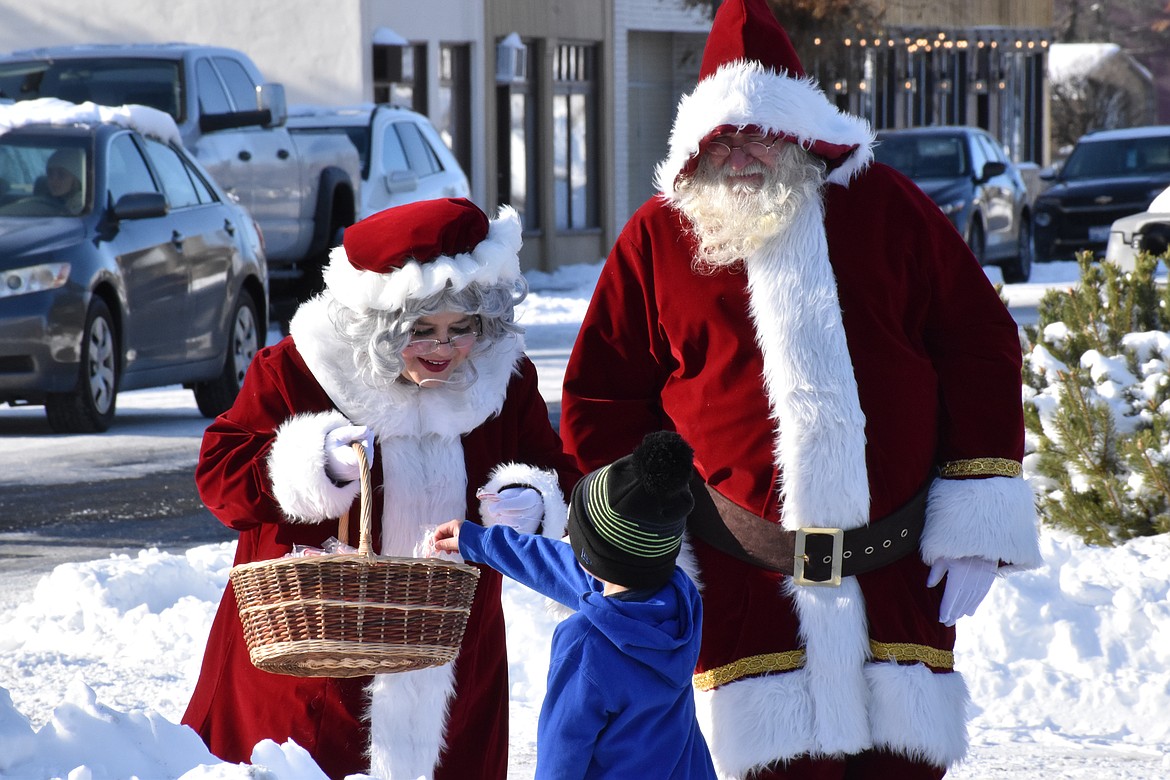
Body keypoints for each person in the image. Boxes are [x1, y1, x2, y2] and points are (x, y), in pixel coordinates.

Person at [559, 1, 1043, 778]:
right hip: (739, 583)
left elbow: (980, 343)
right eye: (724, 135)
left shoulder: (889, 209)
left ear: (803, 131)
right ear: (696, 141)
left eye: (761, 130)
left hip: (897, 577)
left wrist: (979, 516)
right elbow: (603, 396)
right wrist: (638, 541)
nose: (743, 151)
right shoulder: (658, 237)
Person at [182, 197, 582, 780]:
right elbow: (220, 481)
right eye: (421, 331)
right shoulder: (296, 370)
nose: (443, 350)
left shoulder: (503, 377)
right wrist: (314, 463)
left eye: (460, 329)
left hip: (454, 660)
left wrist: (534, 500)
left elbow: (555, 469)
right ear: (378, 325)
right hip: (314, 658)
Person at [431, 431, 717, 780]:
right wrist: (478, 541)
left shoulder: (588, 644)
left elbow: (562, 753)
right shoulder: (679, 601)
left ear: (592, 557)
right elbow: (557, 564)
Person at [43, 147, 85, 214]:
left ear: (76, 179)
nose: (53, 180)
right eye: (50, 174)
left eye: (61, 175)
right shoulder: (43, 203)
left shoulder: (82, 208)